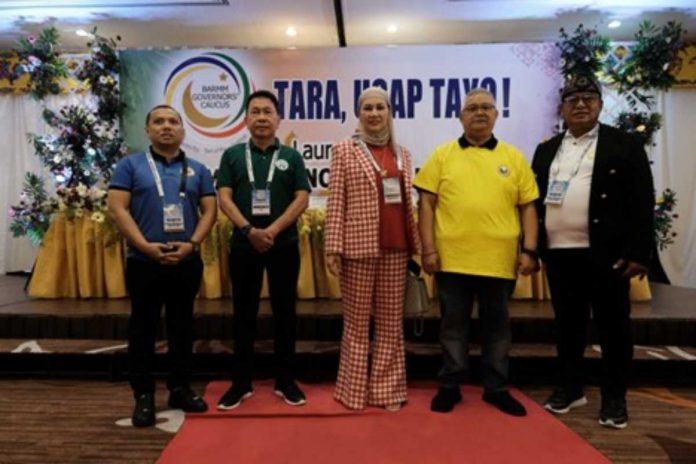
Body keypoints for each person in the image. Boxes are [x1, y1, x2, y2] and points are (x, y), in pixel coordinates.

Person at [532, 74, 654, 429]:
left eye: (588, 98)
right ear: (562, 107)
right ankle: (570, 389)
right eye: (573, 99)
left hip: (607, 255)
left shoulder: (624, 144)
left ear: (600, 104)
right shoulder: (547, 149)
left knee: (613, 328)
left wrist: (638, 253)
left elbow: (642, 201)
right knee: (567, 327)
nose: (581, 104)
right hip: (559, 254)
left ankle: (614, 398)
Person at [413, 88, 539, 416]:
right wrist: (428, 250)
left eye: (486, 107)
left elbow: (528, 207)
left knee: (497, 329)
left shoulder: (514, 158)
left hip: (498, 262)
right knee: (452, 326)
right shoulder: (442, 155)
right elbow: (425, 204)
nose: (479, 112)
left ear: (496, 114)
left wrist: (529, 250)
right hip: (452, 259)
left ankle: (496, 388)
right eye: (472, 108)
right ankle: (450, 385)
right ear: (460, 117)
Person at [108, 104, 217, 427]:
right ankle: (143, 395)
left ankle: (180, 388)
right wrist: (144, 246)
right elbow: (117, 209)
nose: (166, 127)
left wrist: (192, 244)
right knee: (142, 329)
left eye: (173, 122)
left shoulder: (198, 169)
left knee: (183, 327)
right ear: (148, 130)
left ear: (183, 131)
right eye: (159, 121)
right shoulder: (130, 166)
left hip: (186, 259)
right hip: (144, 260)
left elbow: (209, 211)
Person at [325, 86, 421, 411]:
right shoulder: (344, 150)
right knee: (355, 324)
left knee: (391, 324)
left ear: (389, 112)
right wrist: (332, 248)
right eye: (368, 108)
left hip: (396, 248)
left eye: (380, 107)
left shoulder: (403, 154)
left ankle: (386, 391)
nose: (374, 113)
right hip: (357, 249)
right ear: (359, 113)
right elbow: (336, 201)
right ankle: (352, 392)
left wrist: (416, 245)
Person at [216, 90, 311, 410]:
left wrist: (271, 230)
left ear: (278, 119)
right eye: (254, 112)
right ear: (245, 119)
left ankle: (286, 380)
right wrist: (248, 230)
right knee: (243, 314)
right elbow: (224, 198)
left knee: (286, 313)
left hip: (282, 244)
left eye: (267, 112)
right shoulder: (231, 155)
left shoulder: (292, 157)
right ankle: (241, 382)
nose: (261, 117)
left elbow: (302, 198)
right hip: (244, 245)